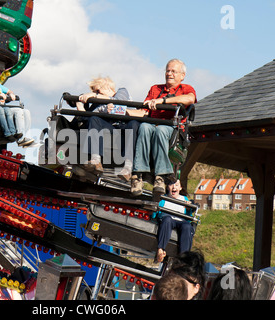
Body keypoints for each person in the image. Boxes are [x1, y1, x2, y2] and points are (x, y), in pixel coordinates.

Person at [128, 59, 197, 199]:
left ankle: (160, 176)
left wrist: (163, 101)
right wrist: (122, 111)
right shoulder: (155, 89)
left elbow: (190, 99)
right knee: (144, 127)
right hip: (152, 124)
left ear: (182, 75)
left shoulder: (186, 88)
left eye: (173, 71)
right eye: (167, 70)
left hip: (171, 128)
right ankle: (138, 175)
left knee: (161, 130)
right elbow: (144, 111)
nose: (169, 74)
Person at [76, 77, 139, 180]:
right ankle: (96, 160)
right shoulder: (100, 104)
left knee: (134, 123)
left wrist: (95, 95)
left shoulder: (122, 91)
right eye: (94, 92)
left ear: (107, 87)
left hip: (126, 127)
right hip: (112, 129)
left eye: (98, 91)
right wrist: (79, 104)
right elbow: (88, 118)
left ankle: (127, 167)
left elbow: (119, 101)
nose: (96, 94)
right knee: (94, 119)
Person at [154, 179, 194, 263]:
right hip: (168, 219)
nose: (173, 187)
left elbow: (189, 216)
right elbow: (155, 213)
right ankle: (160, 249)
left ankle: (183, 258)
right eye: (171, 185)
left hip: (181, 221)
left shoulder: (184, 199)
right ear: (168, 187)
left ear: (180, 188)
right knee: (167, 219)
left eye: (176, 185)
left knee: (187, 226)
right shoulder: (163, 199)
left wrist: (189, 207)